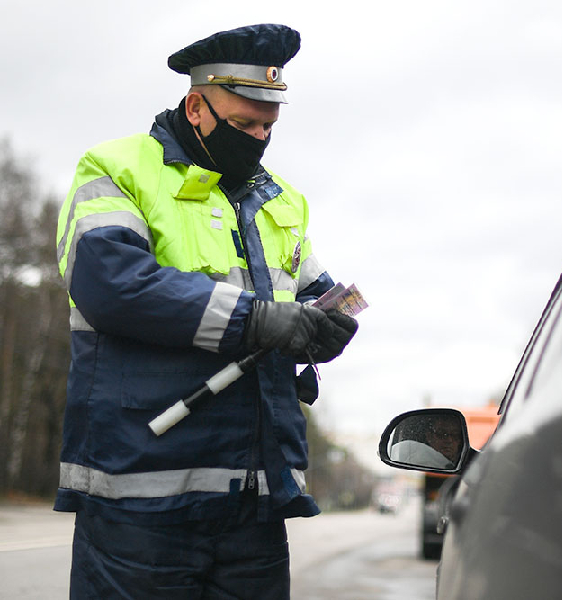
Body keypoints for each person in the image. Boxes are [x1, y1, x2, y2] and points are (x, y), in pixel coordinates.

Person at [54, 24, 358, 599]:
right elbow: (111, 285)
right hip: (139, 493)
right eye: (244, 124)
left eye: (269, 126)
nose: (260, 138)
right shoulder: (116, 168)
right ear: (196, 107)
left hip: (255, 498)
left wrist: (329, 326)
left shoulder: (281, 201)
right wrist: (258, 321)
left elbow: (316, 292)